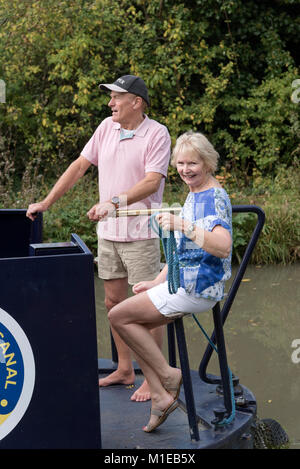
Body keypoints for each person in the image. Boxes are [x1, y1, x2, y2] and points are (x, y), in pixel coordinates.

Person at [26, 75, 171, 401]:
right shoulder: (106, 127)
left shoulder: (157, 133)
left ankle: (154, 378)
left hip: (141, 233)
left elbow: (151, 182)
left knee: (149, 307)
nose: (110, 104)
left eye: (116, 97)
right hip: (108, 234)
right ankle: (124, 369)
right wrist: (46, 202)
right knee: (114, 303)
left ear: (136, 101)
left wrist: (114, 202)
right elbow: (79, 166)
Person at [107, 131, 233, 432]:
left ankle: (166, 377)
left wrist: (183, 225)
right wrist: (157, 280)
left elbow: (223, 246)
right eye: (180, 163)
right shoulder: (195, 193)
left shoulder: (210, 198)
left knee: (119, 316)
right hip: (186, 281)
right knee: (128, 318)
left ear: (208, 163)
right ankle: (161, 395)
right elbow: (182, 252)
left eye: (193, 163)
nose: (186, 169)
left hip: (199, 287)